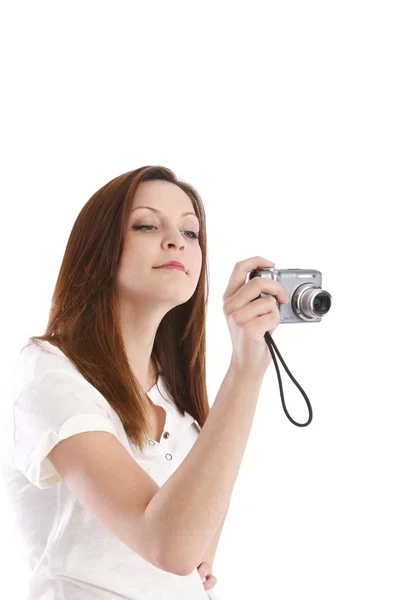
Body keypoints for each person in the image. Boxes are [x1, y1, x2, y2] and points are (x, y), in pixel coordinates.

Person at [0, 165, 288, 599]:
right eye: (147, 225)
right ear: (99, 249)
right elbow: (171, 547)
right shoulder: (50, 370)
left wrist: (249, 364)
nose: (176, 241)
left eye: (191, 233)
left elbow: (195, 556)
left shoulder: (181, 403)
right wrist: (244, 375)